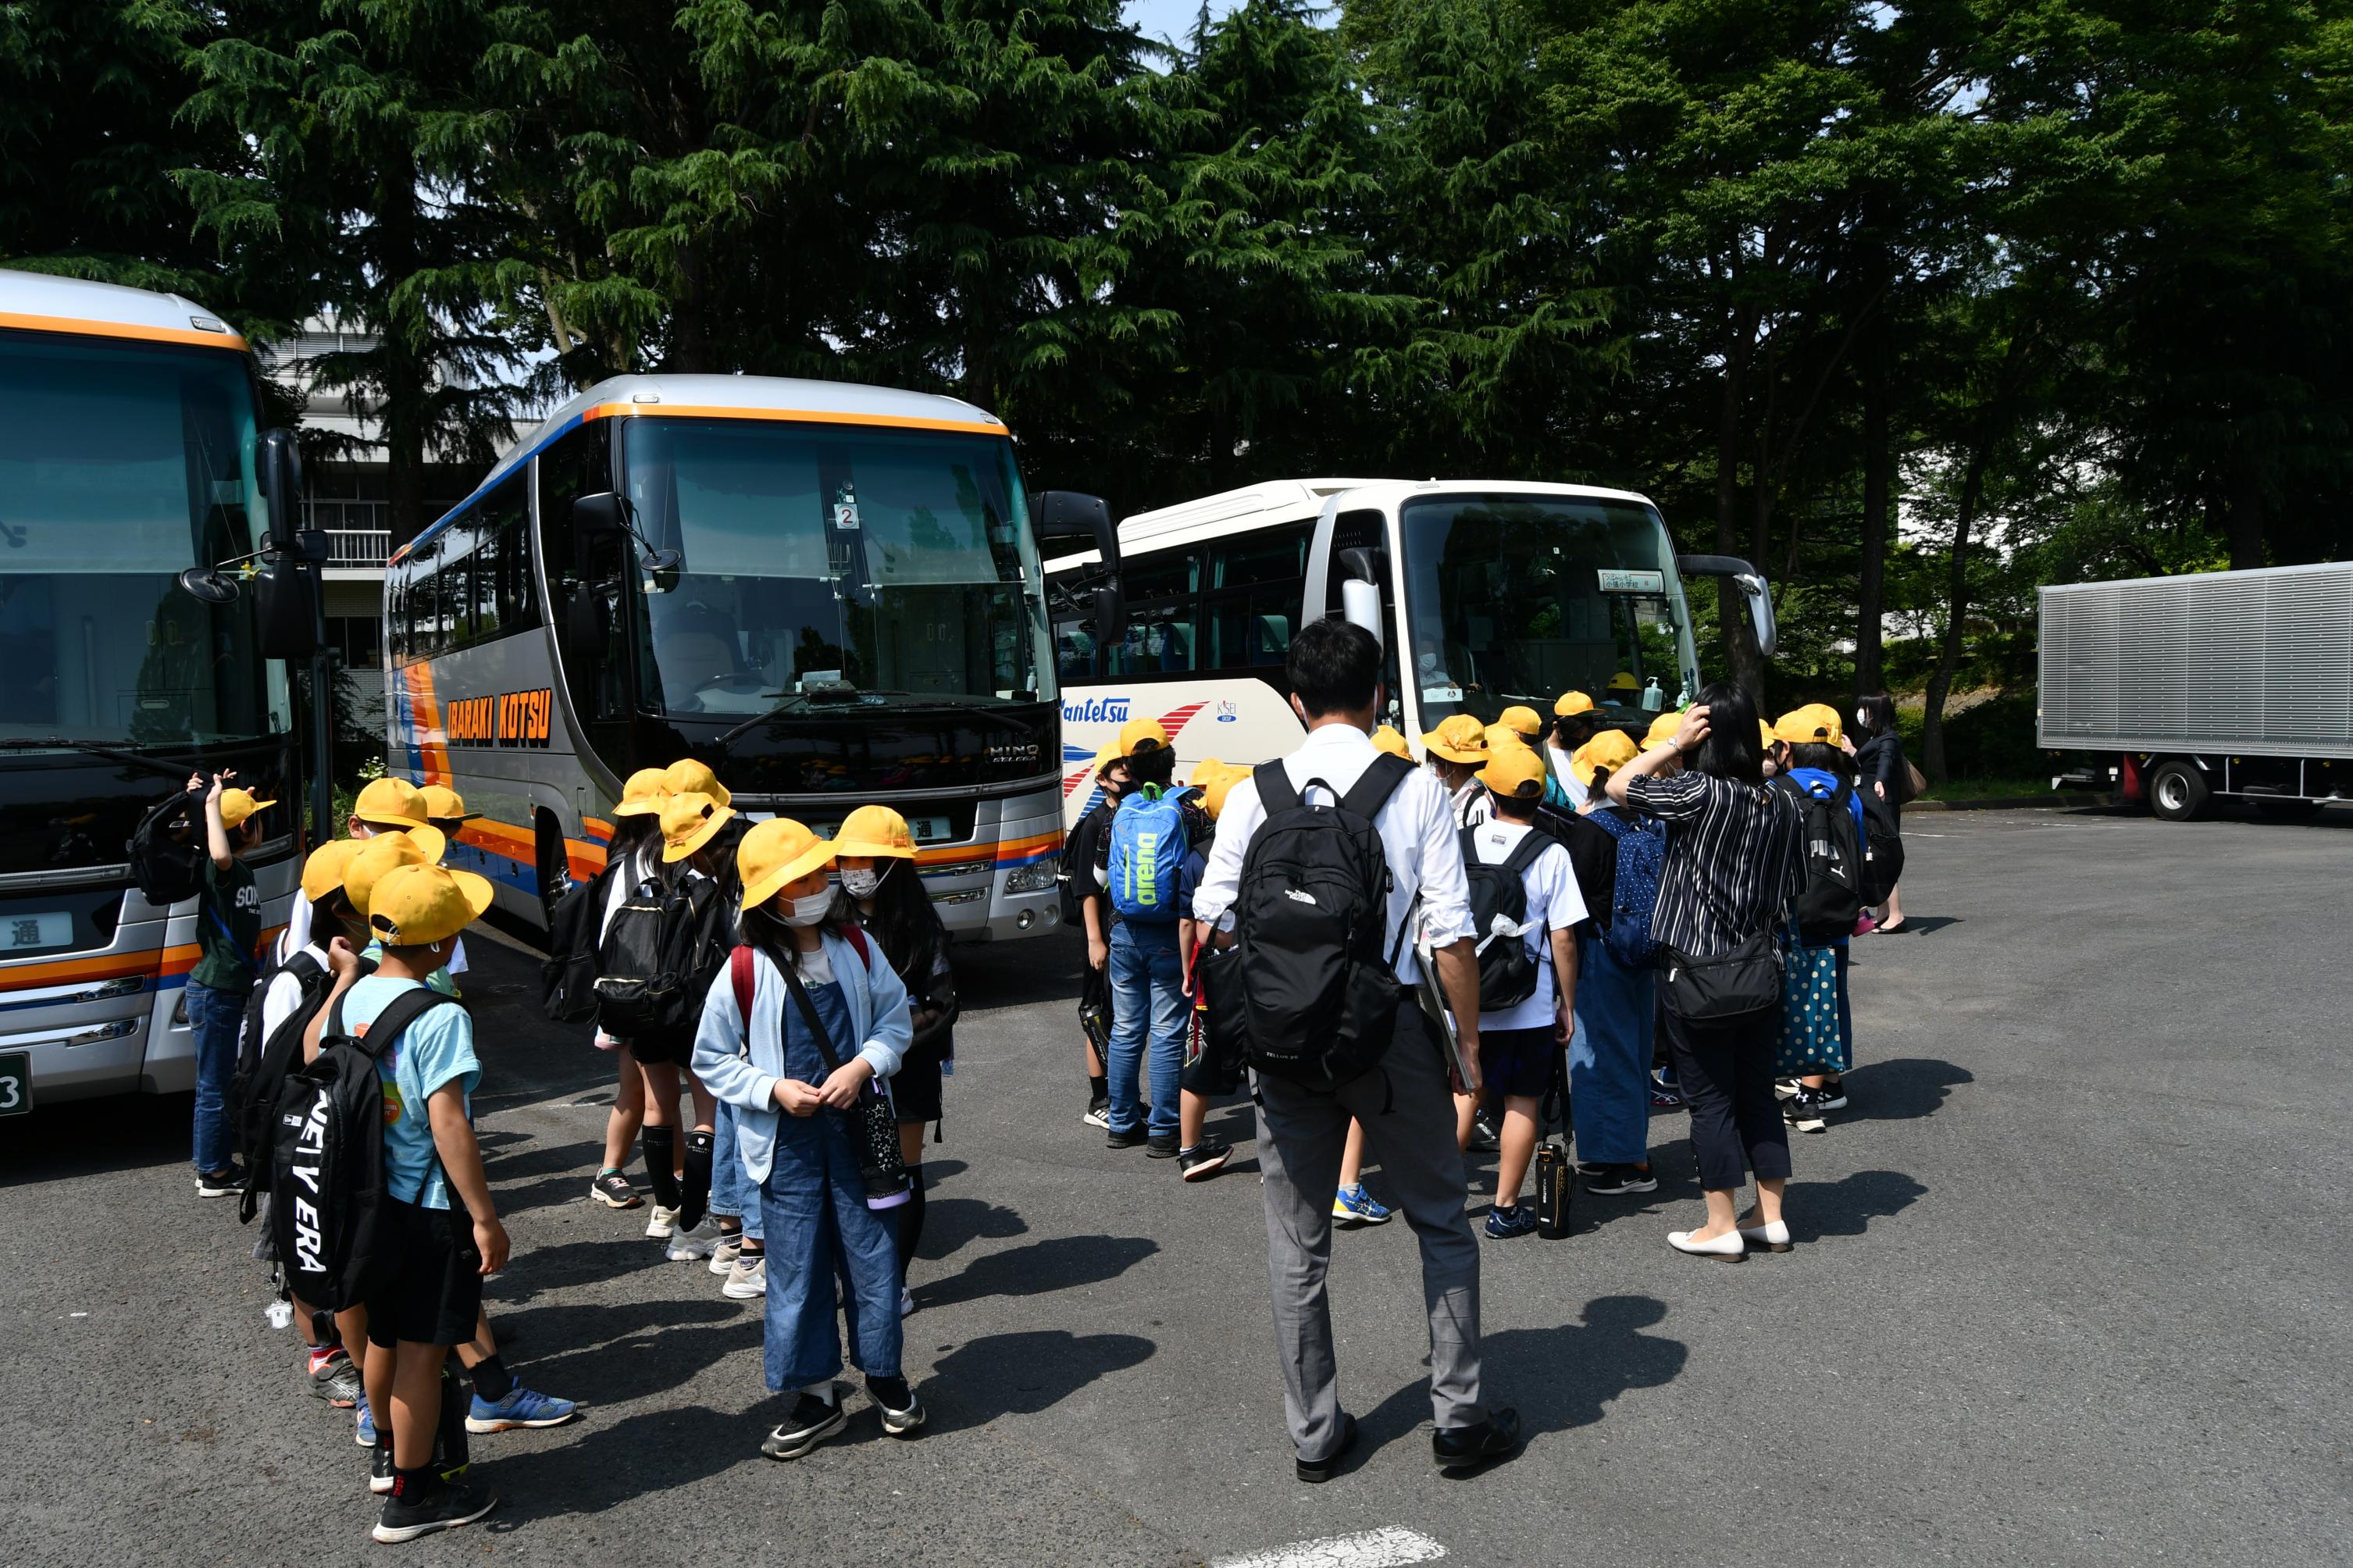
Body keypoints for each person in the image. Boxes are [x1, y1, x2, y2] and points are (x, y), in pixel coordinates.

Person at [1193, 618, 1520, 1482]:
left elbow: (1213, 921)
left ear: (1296, 702)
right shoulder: (1411, 789)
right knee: (1443, 1222)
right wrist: (1470, 1049)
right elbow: (1450, 936)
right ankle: (1458, 1421)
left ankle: (1314, 1434)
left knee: (1296, 1245)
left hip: (1285, 1048)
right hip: (1391, 1037)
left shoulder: (1256, 791)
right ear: (1378, 695)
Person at [693, 818, 923, 1459]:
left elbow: (894, 1021)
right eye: (809, 877)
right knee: (795, 1272)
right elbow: (710, 1059)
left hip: (857, 1143)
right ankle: (816, 1395)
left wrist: (860, 1066)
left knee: (873, 1261)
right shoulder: (743, 968)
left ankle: (884, 1376)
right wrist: (772, 1089)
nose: (824, 884)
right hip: (786, 1150)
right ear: (772, 894)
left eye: (821, 874)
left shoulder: (857, 947)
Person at [317, 860, 507, 1543]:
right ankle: (413, 1497)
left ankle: (387, 1454)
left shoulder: (354, 997)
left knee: (384, 1339)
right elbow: (448, 1124)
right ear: (438, 944)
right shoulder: (440, 1015)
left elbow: (315, 1055)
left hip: (366, 1205)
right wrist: (484, 1216)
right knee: (426, 1353)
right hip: (426, 1205)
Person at [1606, 687, 1804, 1259]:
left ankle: (1719, 1224)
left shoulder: (1697, 791)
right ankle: (1770, 1218)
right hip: (1760, 969)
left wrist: (1672, 741)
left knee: (1711, 1099)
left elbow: (1618, 787)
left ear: (1706, 734)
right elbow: (1791, 887)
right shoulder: (1783, 801)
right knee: (1758, 1094)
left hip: (1694, 971)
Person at [1454, 747, 1585, 1239]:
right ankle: (1504, 1208)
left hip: (1465, 996)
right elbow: (1565, 937)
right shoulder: (1551, 852)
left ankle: (1441, 1200)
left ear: (1489, 792)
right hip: (1527, 1000)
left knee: (1464, 1092)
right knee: (1522, 1099)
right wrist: (1566, 1004)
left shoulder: (1459, 841)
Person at [832, 804, 957, 1315]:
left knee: (898, 1173)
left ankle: (893, 1280)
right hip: (843, 1073)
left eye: (862, 859)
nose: (851, 870)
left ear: (890, 865)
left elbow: (941, 1003)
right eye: (845, 859)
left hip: (902, 1074)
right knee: (853, 1174)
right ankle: (859, 1270)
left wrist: (887, 1045)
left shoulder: (919, 926)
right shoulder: (830, 919)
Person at [1564, 729, 1660, 1193]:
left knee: (1602, 1052)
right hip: (1642, 947)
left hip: (1601, 950)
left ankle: (1622, 1160)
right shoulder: (1646, 820)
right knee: (1635, 1049)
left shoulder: (1589, 829)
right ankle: (1623, 1148)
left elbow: (1572, 900)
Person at [1101, 718, 1201, 1157]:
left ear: (1130, 766)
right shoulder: (1187, 810)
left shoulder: (1118, 813)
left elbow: (1101, 874)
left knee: (1125, 1029)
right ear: (1170, 762)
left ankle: (1121, 1123)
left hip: (1123, 930)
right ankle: (1164, 1130)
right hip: (1169, 934)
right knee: (1166, 1031)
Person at [644, 790, 737, 1260]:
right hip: (696, 1011)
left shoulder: (649, 873)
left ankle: (669, 1213)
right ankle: (699, 1224)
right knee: (711, 1118)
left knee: (658, 1105)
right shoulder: (716, 886)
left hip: (644, 1005)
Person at [1772, 706, 1863, 1132]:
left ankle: (1807, 1088)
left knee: (1799, 998)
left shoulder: (1777, 791)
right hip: (1836, 911)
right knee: (1830, 992)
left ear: (1786, 748)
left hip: (1788, 913)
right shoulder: (1848, 792)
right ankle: (1830, 1081)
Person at [187, 771, 274, 1196]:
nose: (262, 824)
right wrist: (210, 804)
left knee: (223, 1080)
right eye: (257, 818)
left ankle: (215, 1164)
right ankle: (214, 1172)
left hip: (227, 988)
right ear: (245, 828)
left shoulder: (242, 869)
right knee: (214, 1083)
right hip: (215, 990)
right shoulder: (223, 867)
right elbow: (218, 854)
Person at [588, 768, 669, 1212]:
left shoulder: (624, 857)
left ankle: (610, 1172)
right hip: (645, 995)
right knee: (656, 1095)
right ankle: (674, 1185)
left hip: (629, 995)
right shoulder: (639, 863)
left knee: (635, 1089)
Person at [1174, 764, 1239, 1182]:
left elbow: (1184, 923)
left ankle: (1189, 1150)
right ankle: (1280, 1159)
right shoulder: (1260, 849)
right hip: (1251, 968)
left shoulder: (1197, 856)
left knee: (1198, 1057)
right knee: (1266, 1061)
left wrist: (1186, 971)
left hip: (1208, 975)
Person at [1064, 741, 1131, 1127]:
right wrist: (1094, 939)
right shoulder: (1095, 823)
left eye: (1128, 767)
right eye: (1118, 769)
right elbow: (1086, 887)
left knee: (1121, 1016)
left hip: (1123, 931)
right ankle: (1099, 1099)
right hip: (1102, 933)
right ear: (1102, 779)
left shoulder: (1134, 812)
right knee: (1096, 1013)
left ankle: (1121, 1096)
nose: (1126, 773)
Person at [1852, 692, 1909, 932]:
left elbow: (1885, 762)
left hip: (1882, 802)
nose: (1862, 714)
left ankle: (1896, 915)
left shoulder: (1889, 738)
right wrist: (1852, 752)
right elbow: (1870, 763)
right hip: (1872, 800)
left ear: (1876, 712)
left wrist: (1880, 782)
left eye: (1866, 709)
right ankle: (1883, 912)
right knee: (1874, 856)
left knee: (1884, 856)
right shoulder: (1877, 736)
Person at [1420, 714, 1493, 827]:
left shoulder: (1481, 804)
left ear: (1452, 765)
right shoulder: (1456, 795)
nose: (1433, 769)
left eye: (1435, 763)